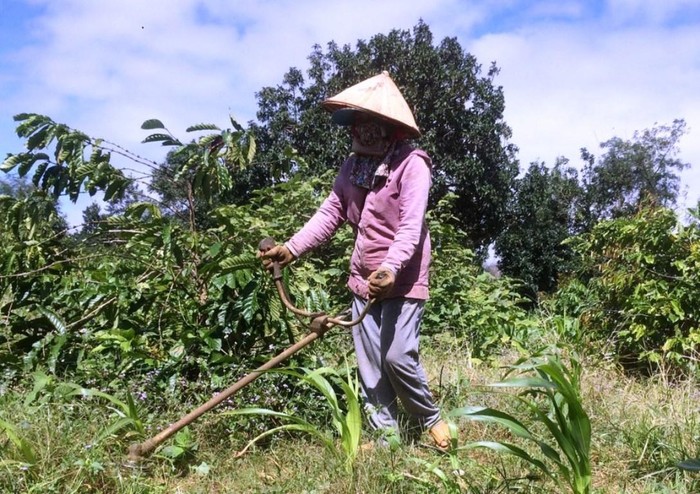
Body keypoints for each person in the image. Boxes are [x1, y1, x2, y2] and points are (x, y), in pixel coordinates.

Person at [260, 71, 450, 450]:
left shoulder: (413, 165)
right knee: (370, 364)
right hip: (362, 280)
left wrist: (391, 268)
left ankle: (428, 418)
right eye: (357, 124)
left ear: (389, 128)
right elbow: (330, 213)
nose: (362, 132)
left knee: (397, 356)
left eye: (371, 124)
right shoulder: (352, 168)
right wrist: (291, 248)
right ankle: (387, 437)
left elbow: (411, 227)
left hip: (402, 278)